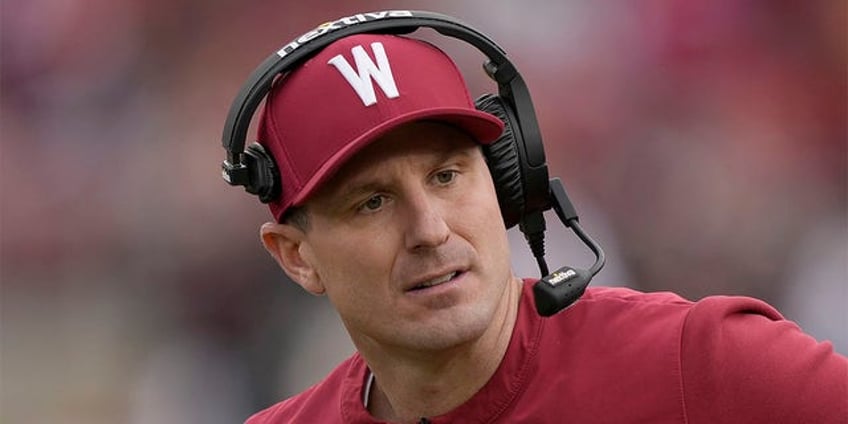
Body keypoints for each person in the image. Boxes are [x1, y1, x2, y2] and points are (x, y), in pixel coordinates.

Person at [222, 14, 847, 424]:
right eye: (373, 202)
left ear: (507, 180)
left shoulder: (702, 363)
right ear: (296, 256)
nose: (431, 230)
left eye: (446, 176)